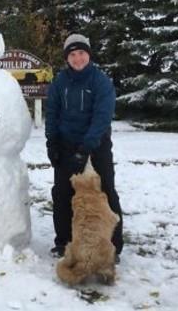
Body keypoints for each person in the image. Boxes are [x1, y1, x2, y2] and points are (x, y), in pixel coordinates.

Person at [45, 33, 123, 260]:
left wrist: (85, 149)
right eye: (72, 54)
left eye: (81, 53)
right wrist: (52, 143)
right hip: (66, 144)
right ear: (67, 58)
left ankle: (113, 246)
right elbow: (52, 113)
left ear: (88, 55)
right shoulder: (60, 81)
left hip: (95, 146)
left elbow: (102, 117)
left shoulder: (100, 81)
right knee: (62, 193)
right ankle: (64, 242)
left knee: (106, 192)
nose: (77, 59)